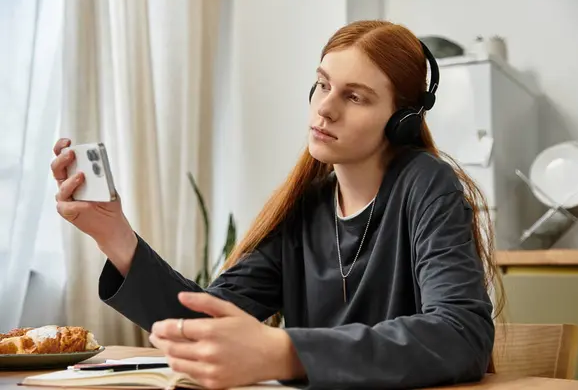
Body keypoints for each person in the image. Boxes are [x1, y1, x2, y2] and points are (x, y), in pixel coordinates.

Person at [51, 20, 504, 389]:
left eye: (354, 96)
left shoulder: (427, 184)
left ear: (402, 121)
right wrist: (115, 236)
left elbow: (462, 334)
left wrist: (285, 351)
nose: (324, 109)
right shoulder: (307, 207)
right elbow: (200, 324)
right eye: (323, 84)